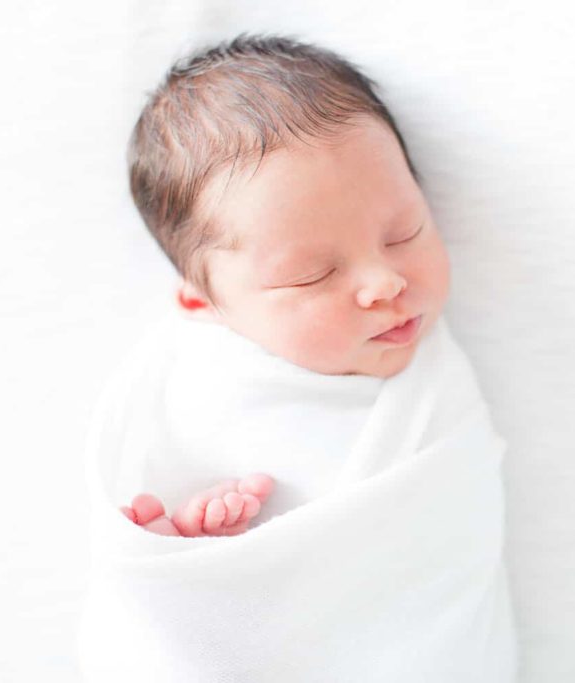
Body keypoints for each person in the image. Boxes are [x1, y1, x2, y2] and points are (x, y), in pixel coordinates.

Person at [116, 34, 452, 537]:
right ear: (203, 301)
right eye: (312, 274)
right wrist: (191, 535)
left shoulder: (438, 382)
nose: (386, 282)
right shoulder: (208, 399)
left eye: (405, 233)